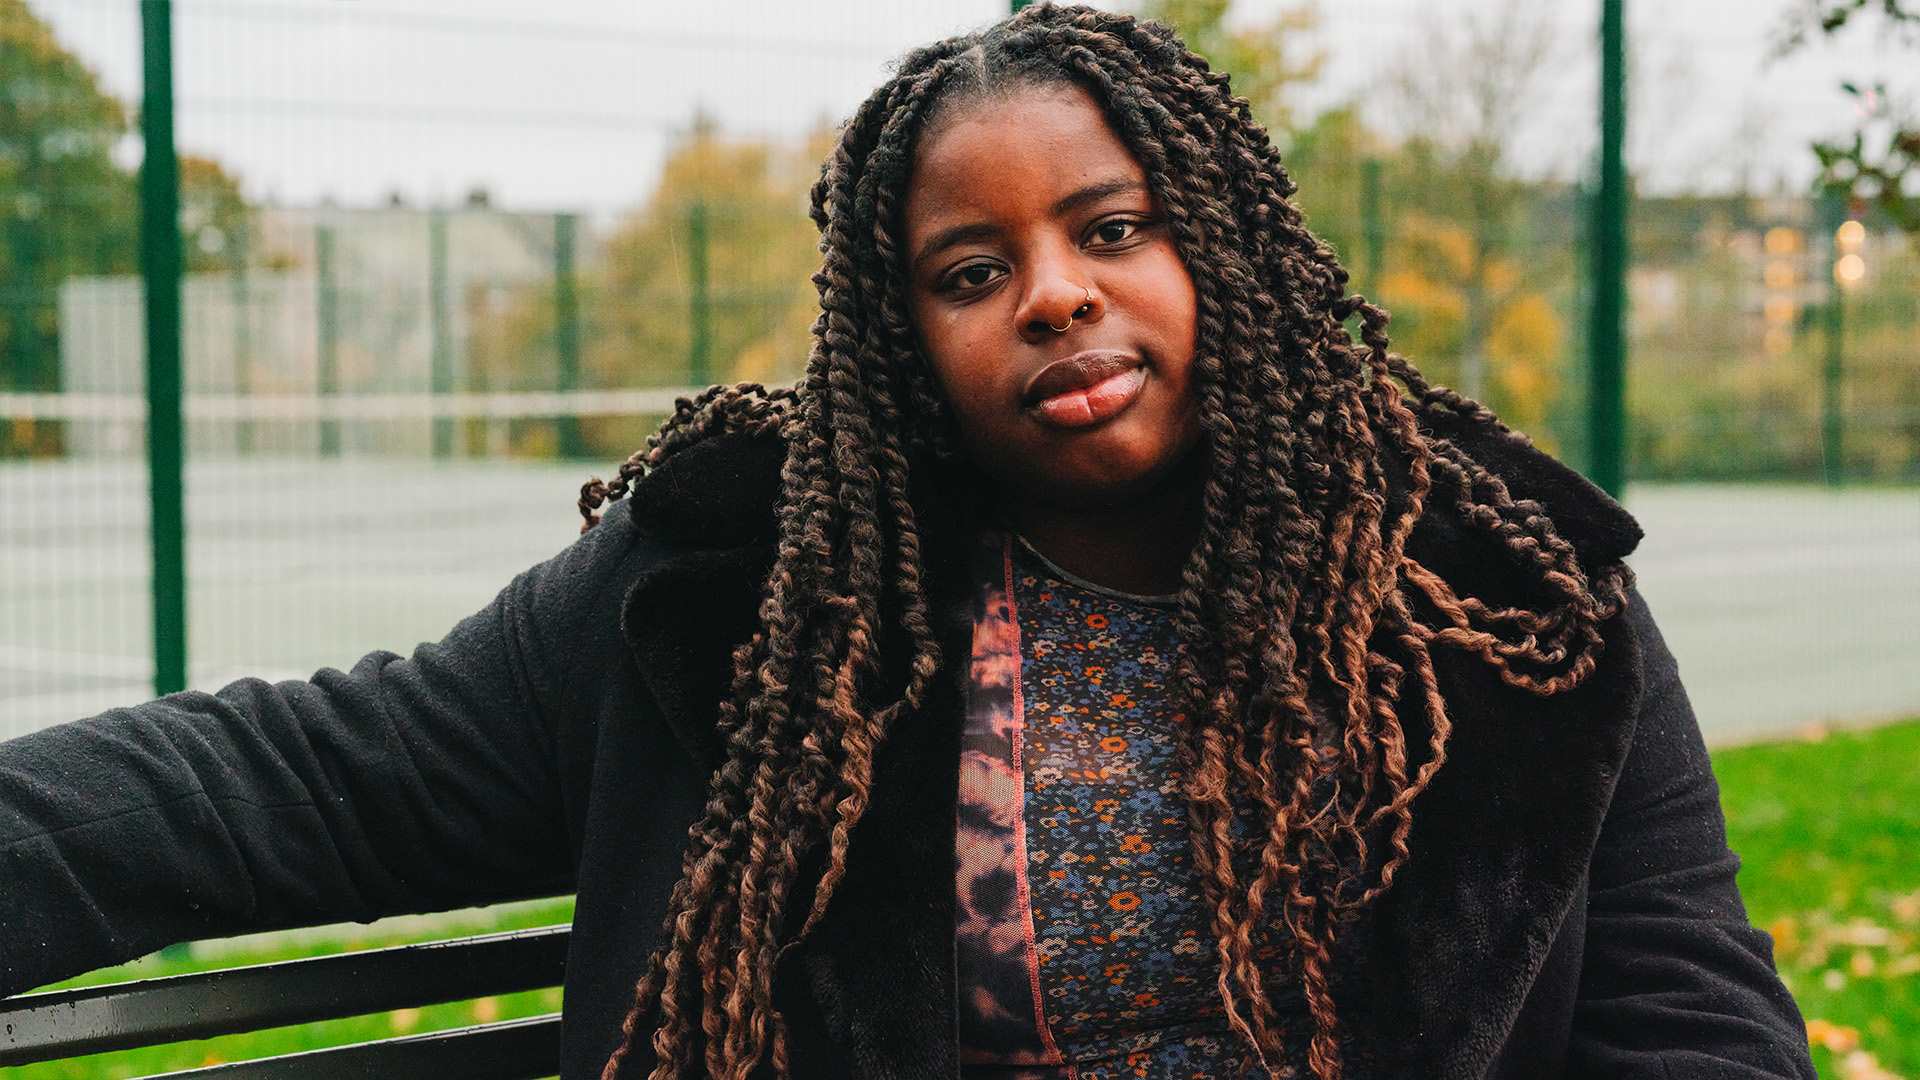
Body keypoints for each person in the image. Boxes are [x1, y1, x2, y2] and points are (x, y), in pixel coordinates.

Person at [0, 5, 1816, 1079]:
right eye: (972, 272)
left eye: (1114, 227)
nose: (1053, 296)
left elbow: (1691, 1020)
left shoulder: (1501, 600)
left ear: (1227, 253)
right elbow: (297, 778)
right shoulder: (744, 605)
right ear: (908, 351)